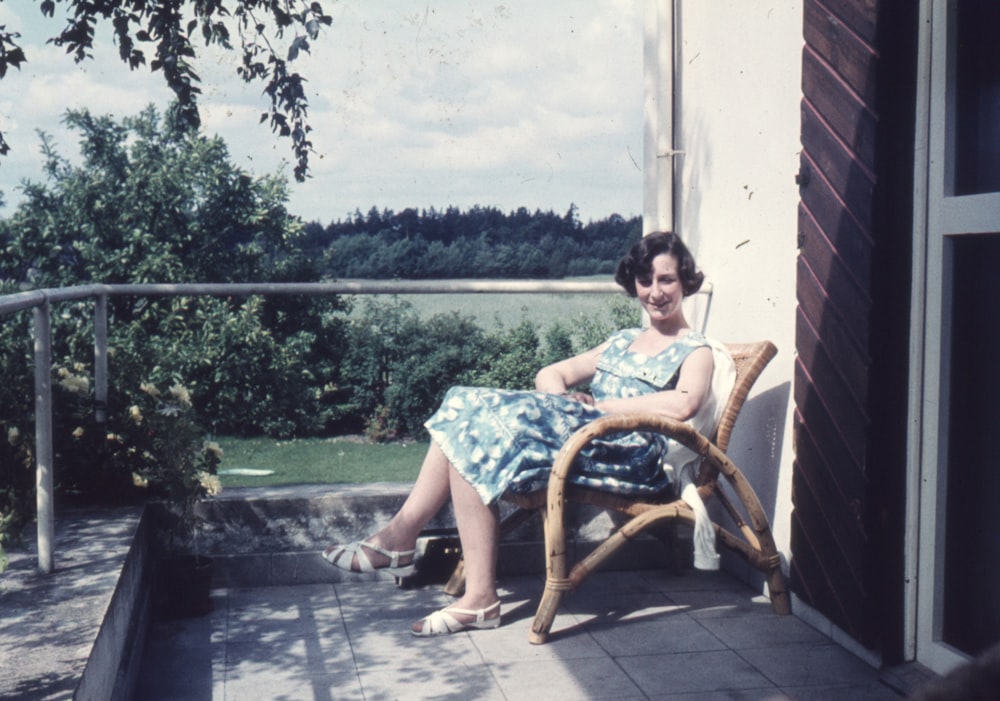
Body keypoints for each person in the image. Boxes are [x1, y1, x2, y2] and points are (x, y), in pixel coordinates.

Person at [322, 231, 716, 636]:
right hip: (585, 438)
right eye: (645, 280)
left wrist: (598, 408)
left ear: (685, 280)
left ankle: (409, 547)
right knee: (466, 416)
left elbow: (684, 404)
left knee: (468, 413)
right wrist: (563, 401)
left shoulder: (695, 349)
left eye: (666, 280)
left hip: (626, 453)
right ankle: (464, 589)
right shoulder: (623, 341)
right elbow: (552, 373)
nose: (655, 292)